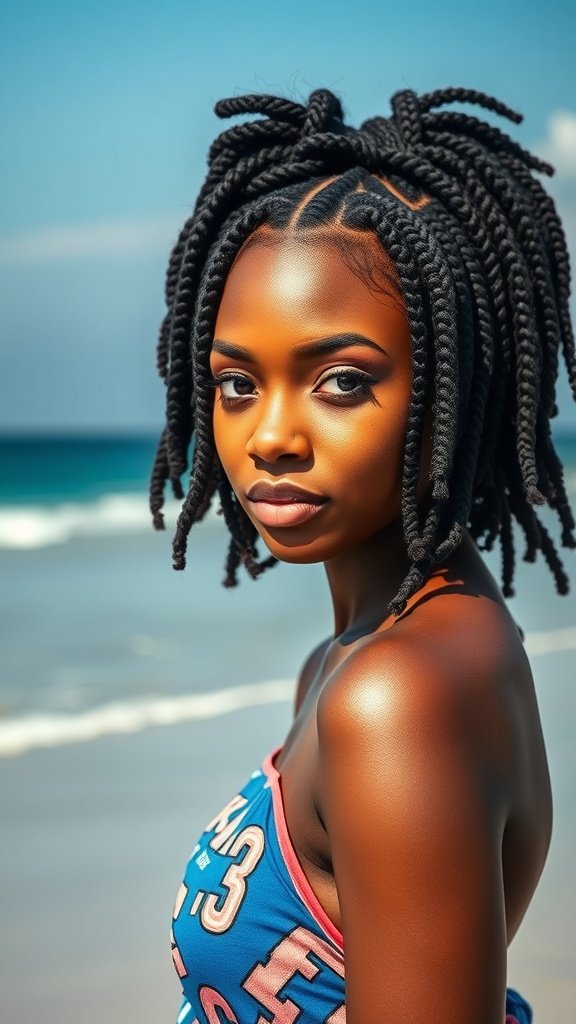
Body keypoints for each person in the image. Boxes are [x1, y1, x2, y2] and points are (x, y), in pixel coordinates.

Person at [149, 85, 575, 1024]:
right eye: (235, 382)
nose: (270, 437)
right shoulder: (355, 662)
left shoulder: (398, 694)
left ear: (455, 386)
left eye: (340, 381)